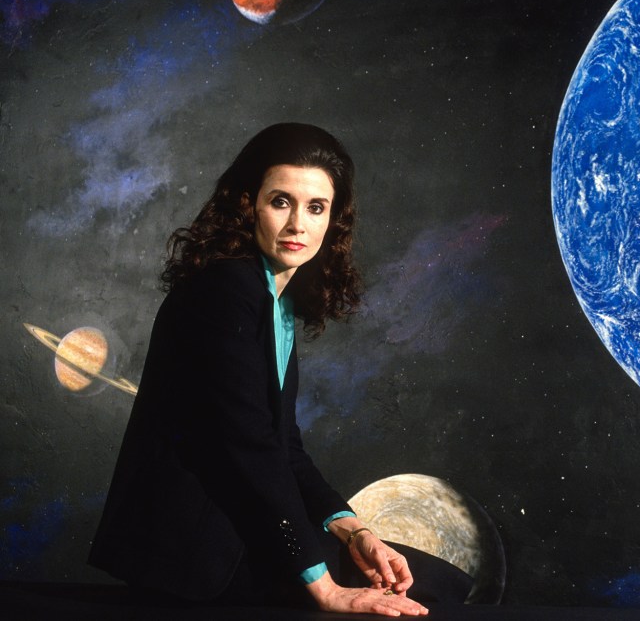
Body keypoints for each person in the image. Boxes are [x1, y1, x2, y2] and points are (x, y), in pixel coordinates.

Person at [89, 123, 466, 615]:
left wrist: (355, 532)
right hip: (194, 553)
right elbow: (247, 447)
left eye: (316, 207)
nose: (298, 226)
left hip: (236, 527)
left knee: (432, 582)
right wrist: (324, 587)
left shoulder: (273, 300)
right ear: (248, 205)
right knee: (434, 592)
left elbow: (284, 445)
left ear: (334, 220)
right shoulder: (225, 291)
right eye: (281, 201)